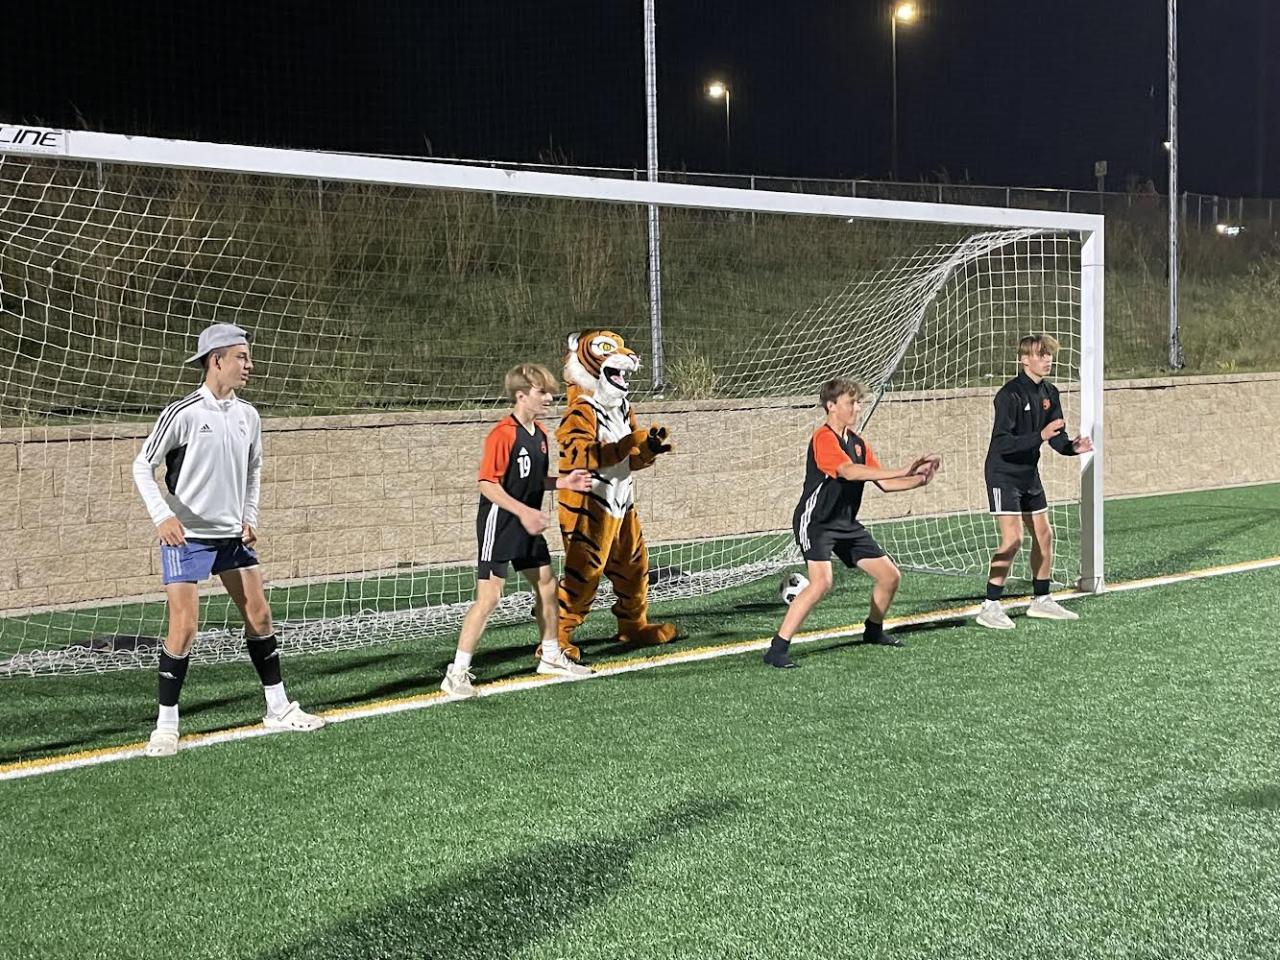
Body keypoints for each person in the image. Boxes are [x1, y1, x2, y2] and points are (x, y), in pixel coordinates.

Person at [132, 323, 324, 758]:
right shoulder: (182, 413)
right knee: (185, 628)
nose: (250, 365)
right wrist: (162, 516)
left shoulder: (249, 416)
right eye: (242, 357)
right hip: (187, 538)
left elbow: (254, 470)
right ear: (216, 360)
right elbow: (142, 466)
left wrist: (249, 516)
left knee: (260, 615)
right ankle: (166, 725)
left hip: (232, 538)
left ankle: (278, 707)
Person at [440, 363, 594, 698]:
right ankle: (456, 674)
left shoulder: (540, 435)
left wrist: (563, 482)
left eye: (550, 392)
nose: (549, 398)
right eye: (542, 392)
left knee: (547, 585)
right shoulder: (503, 434)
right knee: (490, 597)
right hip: (501, 523)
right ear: (521, 396)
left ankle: (551, 656)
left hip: (527, 523)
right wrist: (524, 513)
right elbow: (487, 484)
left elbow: (532, 480)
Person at [763, 378, 940, 669]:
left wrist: (919, 479)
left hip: (846, 523)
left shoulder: (857, 443)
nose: (857, 408)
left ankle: (873, 631)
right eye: (851, 403)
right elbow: (847, 471)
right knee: (822, 583)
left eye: (858, 402)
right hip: (816, 522)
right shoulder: (823, 438)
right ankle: (777, 649)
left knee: (890, 576)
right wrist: (903, 469)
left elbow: (884, 483)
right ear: (831, 406)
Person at [975, 334, 1093, 630]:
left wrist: (1072, 447)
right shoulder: (1009, 395)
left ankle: (1041, 599)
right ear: (1024, 359)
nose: (1047, 359)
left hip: (1029, 472)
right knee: (1013, 539)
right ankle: (990, 605)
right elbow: (1002, 443)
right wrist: (1039, 436)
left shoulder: (1051, 392)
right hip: (1003, 474)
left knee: (1044, 535)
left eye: (1049, 354)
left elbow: (1056, 437)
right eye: (1041, 354)